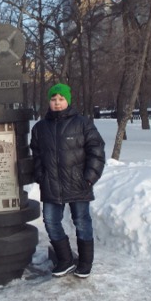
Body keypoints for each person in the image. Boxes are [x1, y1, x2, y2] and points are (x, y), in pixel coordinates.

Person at [30, 83, 106, 278]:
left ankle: (85, 262)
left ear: (68, 101)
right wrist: (40, 175)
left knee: (81, 221)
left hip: (78, 183)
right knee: (51, 221)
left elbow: (96, 151)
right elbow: (36, 155)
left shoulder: (82, 123)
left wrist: (89, 178)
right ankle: (65, 260)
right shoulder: (40, 128)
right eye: (54, 99)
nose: (57, 103)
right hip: (51, 184)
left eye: (61, 99)